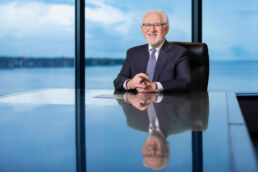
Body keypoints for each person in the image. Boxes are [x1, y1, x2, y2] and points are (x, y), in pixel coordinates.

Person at [114, 10, 191, 92]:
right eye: (147, 25)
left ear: (166, 29)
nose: (152, 29)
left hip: (166, 104)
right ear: (142, 29)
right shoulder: (133, 53)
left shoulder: (179, 52)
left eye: (157, 25)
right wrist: (131, 83)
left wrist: (155, 86)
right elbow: (118, 81)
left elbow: (185, 82)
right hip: (138, 103)